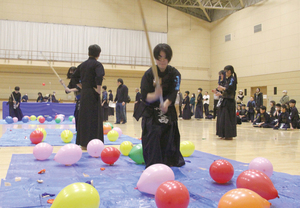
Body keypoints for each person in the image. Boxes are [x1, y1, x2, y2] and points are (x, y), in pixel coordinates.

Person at [136, 43, 185, 168]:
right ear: (155, 59)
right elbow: (144, 95)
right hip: (151, 111)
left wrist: (167, 103)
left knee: (169, 134)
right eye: (159, 57)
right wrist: (155, 95)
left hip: (168, 109)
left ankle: (169, 161)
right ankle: (154, 163)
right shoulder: (148, 74)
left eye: (165, 57)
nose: (162, 60)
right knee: (153, 133)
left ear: (169, 58)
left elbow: (175, 92)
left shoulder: (175, 74)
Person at [72, 44, 105, 149]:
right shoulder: (97, 65)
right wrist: (99, 90)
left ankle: (83, 142)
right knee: (95, 117)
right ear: (99, 54)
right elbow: (99, 76)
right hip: (93, 93)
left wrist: (82, 86)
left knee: (84, 117)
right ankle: (95, 142)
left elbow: (74, 78)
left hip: (84, 93)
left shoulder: (82, 65)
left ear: (88, 52)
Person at [216, 65, 237, 140]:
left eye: (226, 71)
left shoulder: (232, 79)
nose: (225, 73)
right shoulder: (228, 79)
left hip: (229, 102)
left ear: (229, 71)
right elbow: (226, 90)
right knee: (223, 118)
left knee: (228, 119)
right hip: (225, 100)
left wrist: (223, 88)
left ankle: (229, 134)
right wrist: (221, 91)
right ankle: (223, 133)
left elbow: (230, 89)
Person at [64, 66, 81, 131]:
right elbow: (67, 90)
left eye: (73, 71)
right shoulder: (72, 81)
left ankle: (80, 130)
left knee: (79, 115)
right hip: (78, 99)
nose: (71, 72)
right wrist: (64, 86)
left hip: (82, 98)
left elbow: (78, 88)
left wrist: (70, 89)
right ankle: (77, 130)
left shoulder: (79, 79)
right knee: (76, 114)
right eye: (70, 71)